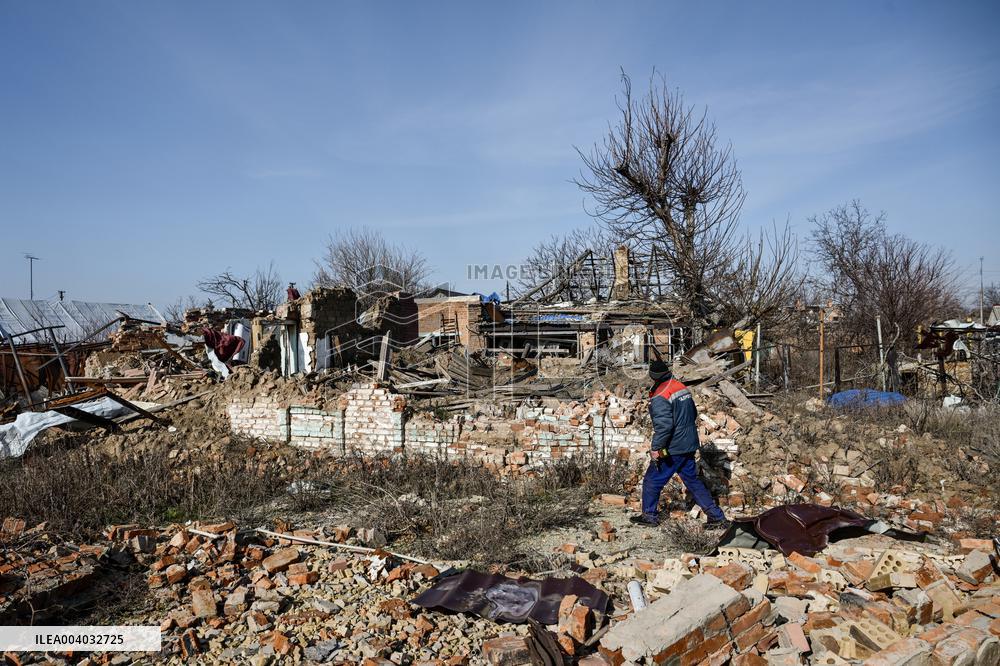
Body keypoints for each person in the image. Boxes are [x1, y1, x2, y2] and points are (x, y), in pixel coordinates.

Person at [630, 360, 729, 528]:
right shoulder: (679, 387)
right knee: (692, 481)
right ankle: (717, 517)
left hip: (672, 447)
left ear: (652, 376)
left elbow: (664, 426)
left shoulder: (661, 395)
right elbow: (693, 412)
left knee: (652, 480)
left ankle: (649, 516)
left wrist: (656, 448)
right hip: (689, 443)